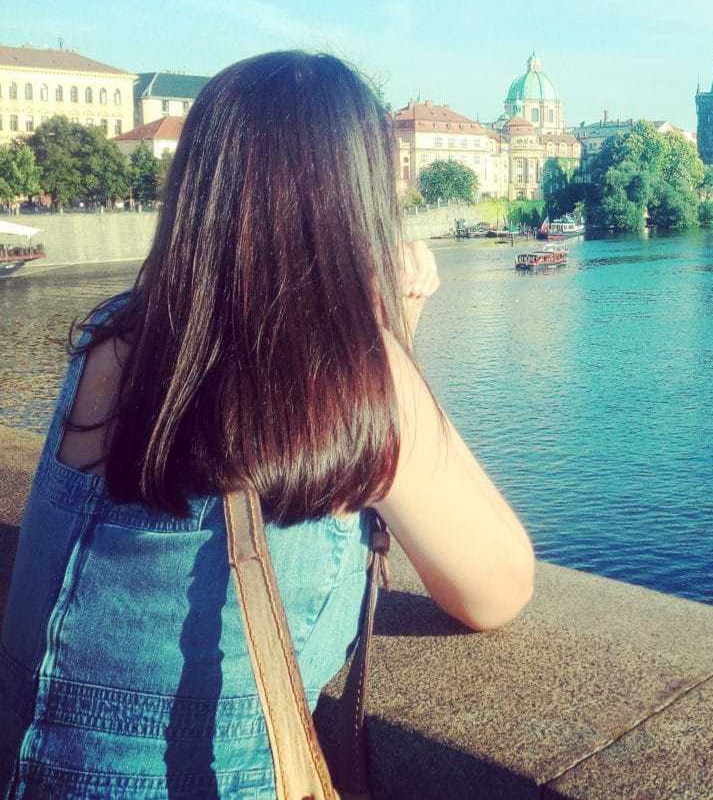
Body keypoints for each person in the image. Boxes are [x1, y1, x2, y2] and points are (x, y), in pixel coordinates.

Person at [0, 51, 535, 795]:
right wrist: (393, 338)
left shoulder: (111, 338)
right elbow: (498, 584)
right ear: (358, 196)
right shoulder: (352, 368)